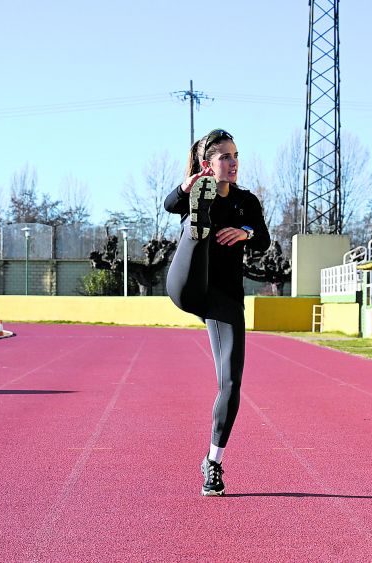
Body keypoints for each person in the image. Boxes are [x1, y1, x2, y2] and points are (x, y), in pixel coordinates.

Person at [164, 128, 270, 496]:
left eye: (235, 155)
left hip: (224, 298)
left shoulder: (247, 201)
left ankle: (214, 462)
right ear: (208, 163)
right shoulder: (193, 191)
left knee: (230, 382)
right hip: (190, 286)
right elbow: (168, 205)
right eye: (224, 156)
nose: (233, 162)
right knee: (196, 230)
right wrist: (185, 189)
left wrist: (245, 233)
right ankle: (199, 226)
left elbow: (264, 238)